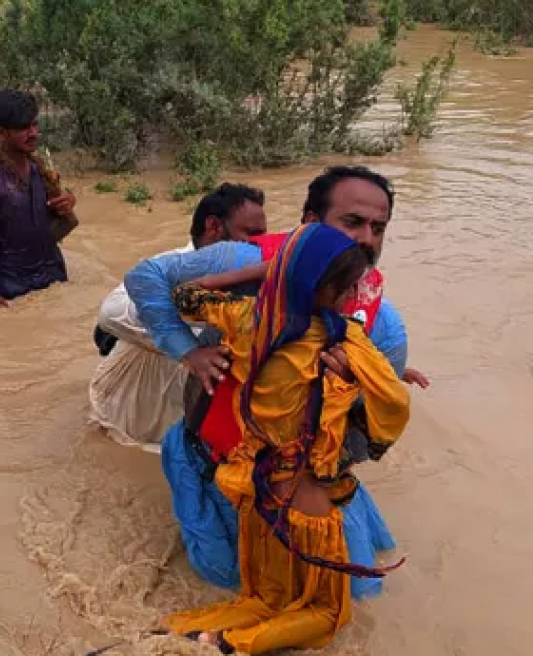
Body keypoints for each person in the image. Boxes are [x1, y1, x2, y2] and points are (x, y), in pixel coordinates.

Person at [125, 165, 427, 599]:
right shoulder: (240, 262)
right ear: (308, 222)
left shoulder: (383, 330)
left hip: (301, 484)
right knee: (222, 580)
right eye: (352, 222)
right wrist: (187, 350)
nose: (365, 239)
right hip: (210, 456)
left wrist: (344, 395)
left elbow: (367, 442)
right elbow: (144, 278)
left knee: (361, 594)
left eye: (378, 228)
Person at [163, 223, 411, 654]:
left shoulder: (246, 320)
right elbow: (395, 406)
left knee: (267, 597)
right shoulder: (344, 341)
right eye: (348, 288)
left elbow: (185, 293)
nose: (354, 298)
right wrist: (361, 413)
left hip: (256, 493)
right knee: (330, 614)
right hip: (306, 503)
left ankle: (187, 634)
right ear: (325, 289)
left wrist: (265, 272)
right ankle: (226, 642)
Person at [89, 183, 267, 452]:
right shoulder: (167, 268)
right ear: (214, 227)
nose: (259, 244)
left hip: (194, 422)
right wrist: (187, 345)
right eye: (251, 234)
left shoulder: (255, 276)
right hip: (127, 415)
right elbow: (109, 314)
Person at [0, 88, 78, 307]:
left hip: (54, 277)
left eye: (34, 124)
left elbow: (55, 230)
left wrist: (67, 206)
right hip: (11, 288)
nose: (33, 133)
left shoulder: (42, 168)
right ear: (1, 133)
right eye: (23, 128)